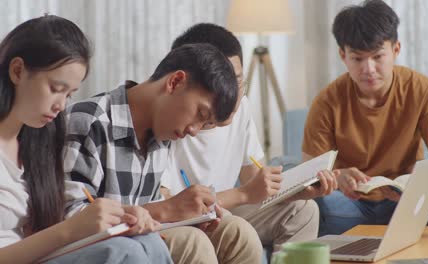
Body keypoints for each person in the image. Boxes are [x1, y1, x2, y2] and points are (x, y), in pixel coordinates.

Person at [63, 42, 263, 263]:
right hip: (100, 249)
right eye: (200, 113)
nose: (194, 131)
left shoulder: (161, 136)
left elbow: (151, 210)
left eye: (204, 123)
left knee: (235, 233)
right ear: (175, 82)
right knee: (191, 243)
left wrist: (188, 216)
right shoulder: (90, 122)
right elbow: (68, 219)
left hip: (141, 239)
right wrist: (166, 209)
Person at [0, 15, 171, 264]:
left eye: (69, 94)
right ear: (17, 71)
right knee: (125, 252)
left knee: (147, 240)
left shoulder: (36, 145)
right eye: (56, 88)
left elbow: (34, 234)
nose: (61, 105)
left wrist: (120, 217)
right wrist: (71, 229)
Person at [160, 23, 339, 252]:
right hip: (182, 220)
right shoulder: (171, 120)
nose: (232, 95)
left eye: (237, 80)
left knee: (303, 209)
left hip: (226, 210)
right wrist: (243, 194)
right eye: (221, 84)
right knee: (230, 226)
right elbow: (168, 205)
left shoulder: (242, 107)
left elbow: (255, 182)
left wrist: (294, 191)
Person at [302, 0, 428, 236]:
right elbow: (308, 172)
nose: (368, 69)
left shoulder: (422, 90)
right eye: (357, 59)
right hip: (351, 205)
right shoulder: (327, 101)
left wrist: (416, 184)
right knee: (313, 206)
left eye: (378, 56)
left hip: (410, 203)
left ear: (396, 49)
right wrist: (339, 179)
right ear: (343, 55)